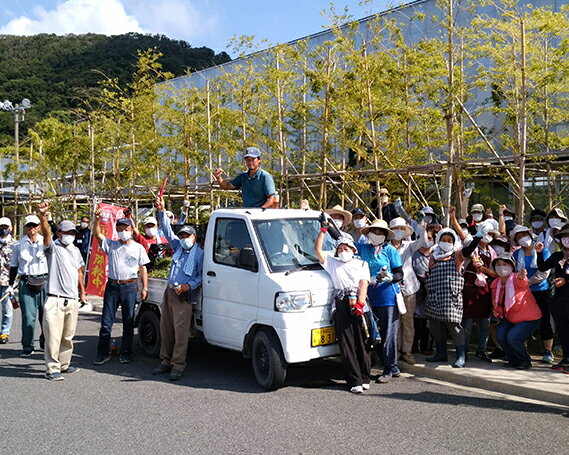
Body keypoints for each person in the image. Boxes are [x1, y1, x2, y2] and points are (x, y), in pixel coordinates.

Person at [152, 195, 204, 381]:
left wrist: (187, 286)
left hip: (184, 295)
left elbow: (200, 277)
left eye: (186, 236)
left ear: (194, 237)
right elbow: (166, 230)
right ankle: (165, 361)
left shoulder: (200, 255)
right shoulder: (178, 248)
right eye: (181, 235)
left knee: (181, 333)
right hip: (170, 292)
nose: (183, 239)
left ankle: (178, 365)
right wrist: (161, 210)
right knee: (166, 328)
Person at [315, 230, 372, 393]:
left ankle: (365, 376)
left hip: (359, 303)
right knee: (347, 342)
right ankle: (354, 380)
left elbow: (363, 284)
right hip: (341, 302)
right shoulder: (332, 263)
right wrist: (322, 232)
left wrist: (360, 304)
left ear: (353, 250)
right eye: (340, 249)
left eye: (346, 248)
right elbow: (318, 251)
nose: (343, 252)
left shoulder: (361, 264)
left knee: (363, 340)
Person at [92, 213, 149, 365]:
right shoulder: (111, 245)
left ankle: (126, 352)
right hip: (112, 286)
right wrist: (97, 220)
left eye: (126, 228)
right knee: (106, 322)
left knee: (128, 322)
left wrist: (145, 288)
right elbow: (97, 234)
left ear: (131, 230)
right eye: (120, 228)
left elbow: (143, 269)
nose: (123, 231)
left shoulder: (138, 248)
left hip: (129, 286)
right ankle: (102, 353)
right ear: (116, 230)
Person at [424, 225, 485, 368]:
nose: (446, 242)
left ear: (453, 242)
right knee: (435, 326)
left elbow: (469, 250)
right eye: (443, 239)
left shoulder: (457, 255)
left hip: (451, 298)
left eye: (449, 240)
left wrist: (478, 238)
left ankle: (461, 355)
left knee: (454, 326)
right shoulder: (434, 256)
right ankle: (441, 353)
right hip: (434, 297)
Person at [38, 204, 86, 380]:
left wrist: (82, 292)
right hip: (55, 299)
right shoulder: (53, 248)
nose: (70, 236)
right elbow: (46, 233)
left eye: (72, 233)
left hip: (71, 299)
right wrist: (43, 216)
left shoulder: (75, 250)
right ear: (59, 233)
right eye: (66, 232)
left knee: (67, 336)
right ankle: (52, 368)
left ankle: (64, 364)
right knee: (53, 336)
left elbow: (79, 272)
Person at [357, 219, 403, 383]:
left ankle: (389, 368)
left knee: (388, 333)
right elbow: (343, 245)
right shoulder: (362, 248)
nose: (376, 235)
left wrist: (390, 278)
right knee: (373, 332)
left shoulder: (390, 250)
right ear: (369, 234)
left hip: (387, 297)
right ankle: (392, 365)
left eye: (380, 233)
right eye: (374, 232)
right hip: (369, 297)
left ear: (385, 235)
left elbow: (399, 273)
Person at [511, 225, 554, 364]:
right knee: (524, 321)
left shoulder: (543, 250)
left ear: (529, 235)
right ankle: (523, 350)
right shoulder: (517, 255)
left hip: (541, 291)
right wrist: (522, 283)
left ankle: (548, 351)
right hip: (524, 293)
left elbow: (544, 272)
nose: (522, 239)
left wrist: (527, 282)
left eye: (523, 235)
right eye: (518, 237)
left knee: (545, 321)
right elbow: (513, 273)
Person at [491, 254, 542, 369]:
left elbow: (522, 282)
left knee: (513, 337)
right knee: (500, 335)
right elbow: (497, 303)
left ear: (512, 266)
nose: (501, 267)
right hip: (510, 317)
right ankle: (513, 360)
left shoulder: (515, 278)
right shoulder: (495, 284)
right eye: (498, 265)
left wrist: (522, 277)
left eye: (505, 264)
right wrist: (497, 311)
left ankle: (524, 360)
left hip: (529, 318)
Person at [9, 213, 49, 356]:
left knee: (46, 316)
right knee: (28, 316)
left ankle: (45, 343)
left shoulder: (45, 242)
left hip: (44, 280)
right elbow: (13, 266)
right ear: (25, 228)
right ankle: (28, 347)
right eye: (29, 225)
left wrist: (45, 217)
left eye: (34, 225)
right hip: (26, 282)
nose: (32, 228)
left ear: (39, 227)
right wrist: (10, 285)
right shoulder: (18, 245)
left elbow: (51, 232)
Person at [389, 217, 426, 365]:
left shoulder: (409, 246)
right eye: (396, 228)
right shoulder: (386, 247)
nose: (399, 231)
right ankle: (396, 350)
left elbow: (422, 242)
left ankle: (407, 351)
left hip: (409, 288)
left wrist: (422, 228)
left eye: (401, 229)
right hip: (391, 287)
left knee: (408, 320)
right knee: (395, 320)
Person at [537, 225, 569, 373]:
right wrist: (538, 253)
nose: (566, 240)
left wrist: (566, 280)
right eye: (564, 237)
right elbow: (543, 267)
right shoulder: (557, 255)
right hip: (558, 298)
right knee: (562, 330)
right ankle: (566, 358)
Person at [0, 217, 15, 344]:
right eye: (1, 227)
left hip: (7, 281)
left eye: (5, 227)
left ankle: (4, 332)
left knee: (7, 308)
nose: (3, 230)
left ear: (10, 228)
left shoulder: (16, 245)